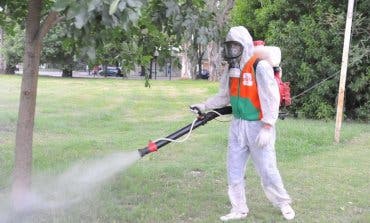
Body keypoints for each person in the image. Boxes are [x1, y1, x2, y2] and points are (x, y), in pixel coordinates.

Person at [190, 26, 295, 221]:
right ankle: (239, 208)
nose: (231, 51)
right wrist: (204, 106)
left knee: (267, 169)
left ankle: (283, 203)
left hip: (258, 126)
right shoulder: (231, 69)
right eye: (229, 47)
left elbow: (271, 98)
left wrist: (268, 126)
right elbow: (224, 95)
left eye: (235, 46)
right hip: (237, 125)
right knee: (234, 169)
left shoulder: (259, 67)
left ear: (244, 45)